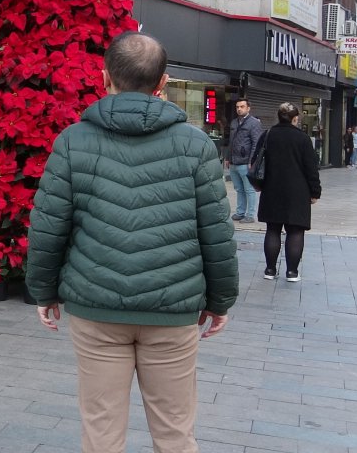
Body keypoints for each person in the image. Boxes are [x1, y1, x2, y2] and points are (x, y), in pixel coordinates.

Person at [25, 32, 237, 453]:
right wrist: (221, 300)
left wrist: (43, 291)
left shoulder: (73, 140)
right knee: (176, 434)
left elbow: (49, 226)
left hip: (96, 307)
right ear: (164, 82)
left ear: (105, 78)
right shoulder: (195, 145)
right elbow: (216, 231)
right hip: (173, 311)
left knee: (101, 433)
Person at [255, 103, 321, 282]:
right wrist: (315, 191)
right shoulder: (303, 139)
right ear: (295, 118)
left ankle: (270, 269)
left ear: (278, 116)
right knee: (295, 231)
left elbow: (256, 161)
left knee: (273, 229)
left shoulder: (267, 135)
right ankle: (292, 272)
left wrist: (258, 184)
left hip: (271, 189)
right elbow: (311, 168)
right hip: (297, 192)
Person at [225, 98, 262, 223]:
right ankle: (240, 212)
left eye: (242, 106)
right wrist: (227, 158)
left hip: (246, 162)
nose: (239, 109)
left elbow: (256, 143)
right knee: (239, 189)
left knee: (249, 189)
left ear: (248, 108)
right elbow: (231, 141)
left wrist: (252, 161)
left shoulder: (254, 123)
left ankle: (250, 215)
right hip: (234, 162)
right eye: (237, 107)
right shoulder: (234, 122)